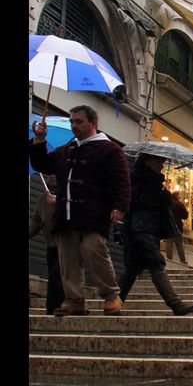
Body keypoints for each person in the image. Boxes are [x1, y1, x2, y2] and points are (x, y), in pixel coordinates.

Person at [29, 105, 130, 316]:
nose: (74, 125)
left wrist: (119, 206)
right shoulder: (66, 149)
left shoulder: (110, 149)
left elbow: (121, 181)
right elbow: (44, 165)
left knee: (95, 250)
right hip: (65, 214)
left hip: (94, 213)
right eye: (72, 121)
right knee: (68, 260)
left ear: (93, 123)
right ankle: (74, 300)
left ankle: (111, 295)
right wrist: (39, 141)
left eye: (79, 121)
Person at [117, 155, 193, 315]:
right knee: (156, 263)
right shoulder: (138, 183)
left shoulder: (155, 184)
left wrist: (164, 197)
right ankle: (176, 304)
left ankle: (114, 303)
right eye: (158, 162)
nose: (161, 166)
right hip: (140, 230)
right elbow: (130, 206)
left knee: (132, 269)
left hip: (150, 230)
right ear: (146, 162)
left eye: (163, 163)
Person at [29, 175, 65, 315]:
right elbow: (36, 220)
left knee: (58, 273)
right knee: (53, 274)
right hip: (50, 243)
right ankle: (52, 307)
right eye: (49, 174)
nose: (51, 177)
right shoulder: (43, 198)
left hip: (66, 241)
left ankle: (58, 305)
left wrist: (58, 203)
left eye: (55, 174)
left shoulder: (68, 193)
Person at [165, 187, 189, 264]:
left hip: (168, 226)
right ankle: (183, 260)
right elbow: (185, 216)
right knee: (179, 245)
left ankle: (169, 260)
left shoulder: (167, 204)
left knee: (169, 244)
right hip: (178, 227)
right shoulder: (179, 204)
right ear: (176, 196)